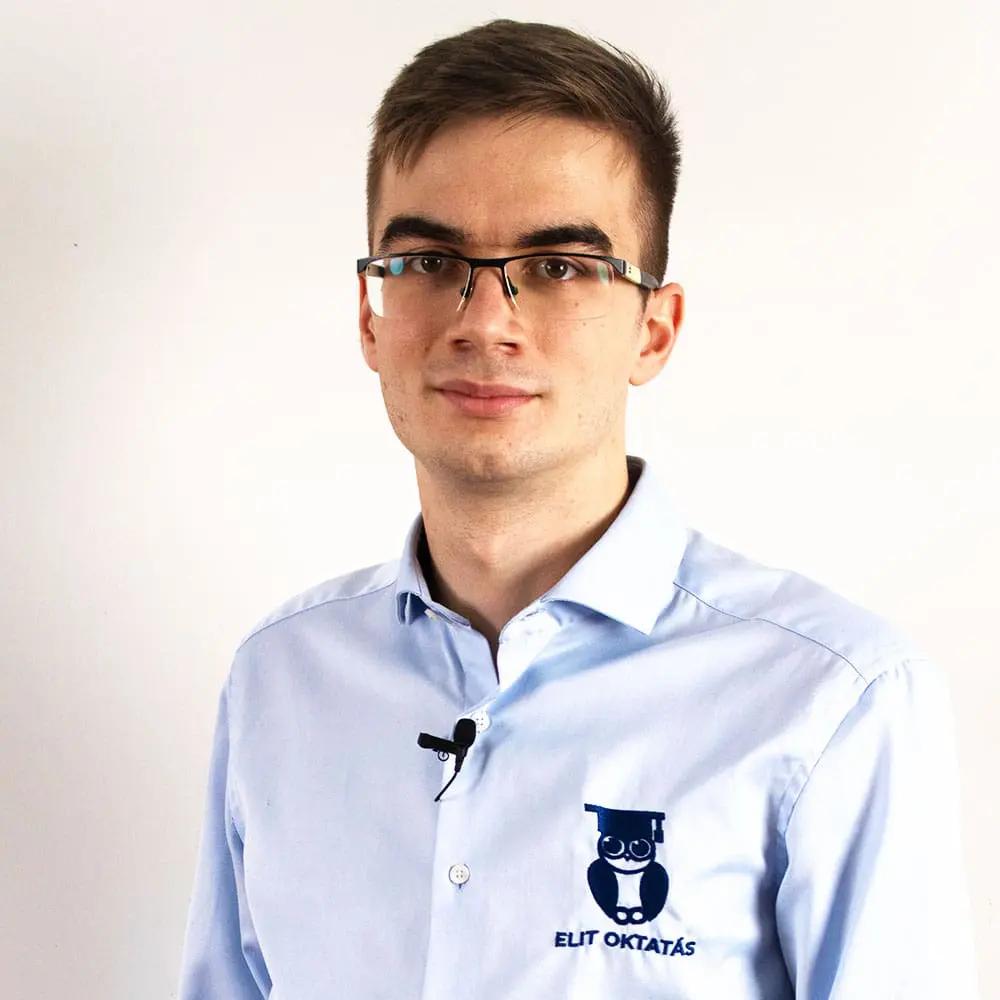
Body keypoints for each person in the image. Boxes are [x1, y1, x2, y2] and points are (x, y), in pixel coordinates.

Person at [177, 19, 979, 1000]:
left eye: (558, 266)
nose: (485, 322)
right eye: (429, 262)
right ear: (368, 317)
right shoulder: (282, 680)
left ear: (654, 330)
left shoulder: (830, 697)